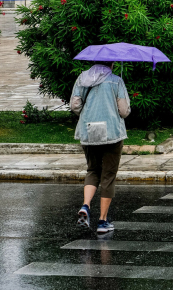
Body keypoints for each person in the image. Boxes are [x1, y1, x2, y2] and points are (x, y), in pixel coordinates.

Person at [70, 61, 131, 234]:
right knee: (108, 175)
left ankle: (86, 205)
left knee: (93, 170)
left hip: (89, 131)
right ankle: (102, 221)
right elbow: (124, 111)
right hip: (112, 132)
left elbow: (75, 105)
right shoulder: (116, 81)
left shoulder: (82, 78)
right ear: (111, 64)